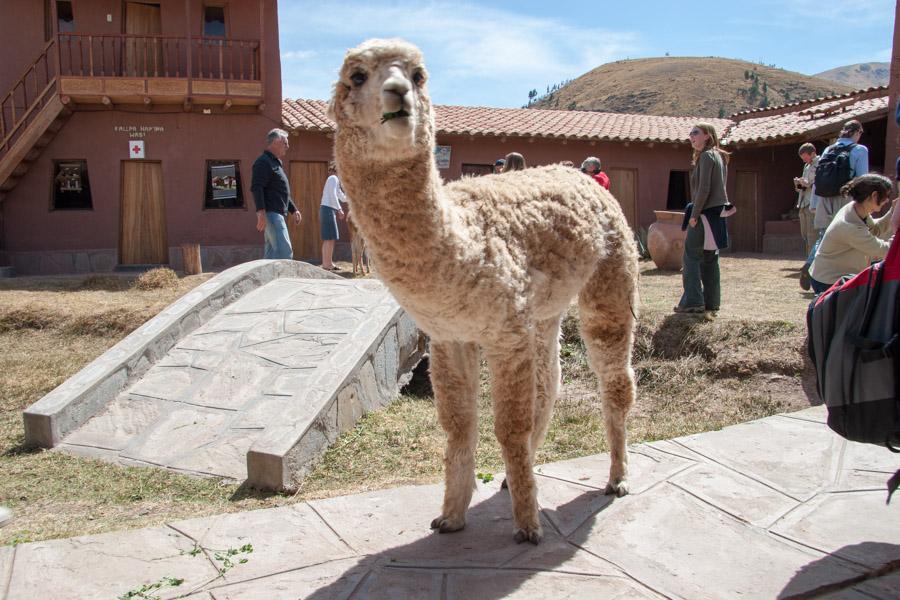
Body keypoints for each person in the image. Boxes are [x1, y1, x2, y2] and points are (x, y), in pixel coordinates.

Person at [800, 120, 869, 289]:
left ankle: (811, 264)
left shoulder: (828, 149)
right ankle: (842, 277)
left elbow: (818, 178)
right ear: (857, 132)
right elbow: (862, 180)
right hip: (845, 199)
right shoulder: (860, 150)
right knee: (847, 241)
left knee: (825, 236)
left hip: (824, 199)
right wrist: (864, 207)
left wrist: (814, 203)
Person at [808, 174, 897, 294]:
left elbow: (875, 230)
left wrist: (893, 212)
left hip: (834, 277)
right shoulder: (850, 226)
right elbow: (883, 250)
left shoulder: (855, 209)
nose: (887, 200)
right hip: (830, 281)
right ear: (874, 195)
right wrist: (898, 235)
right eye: (886, 196)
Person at [675, 123, 730, 315]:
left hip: (705, 213)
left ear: (707, 136)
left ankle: (692, 301)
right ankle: (711, 301)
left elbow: (704, 189)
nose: (691, 136)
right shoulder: (719, 156)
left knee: (691, 256)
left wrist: (694, 215)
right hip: (716, 213)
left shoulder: (707, 156)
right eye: (690, 133)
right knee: (709, 258)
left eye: (695, 133)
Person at [251, 128, 301, 259]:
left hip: (275, 214)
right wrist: (261, 212)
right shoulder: (263, 162)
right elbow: (257, 187)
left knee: (272, 253)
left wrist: (293, 209)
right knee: (284, 253)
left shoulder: (275, 163)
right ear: (275, 142)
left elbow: (280, 191)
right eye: (285, 143)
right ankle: (284, 280)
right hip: (272, 214)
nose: (288, 146)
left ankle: (266, 280)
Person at [794, 143, 820, 257]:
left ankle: (811, 264)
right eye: (802, 157)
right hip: (803, 203)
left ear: (813, 153)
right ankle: (808, 260)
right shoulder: (807, 166)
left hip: (812, 204)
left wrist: (808, 184)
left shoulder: (820, 164)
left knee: (812, 235)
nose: (804, 160)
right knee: (805, 235)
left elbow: (819, 184)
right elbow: (802, 188)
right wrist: (798, 184)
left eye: (805, 157)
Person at [320, 162, 346, 271]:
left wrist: (353, 196)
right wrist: (339, 209)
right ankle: (326, 265)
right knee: (329, 239)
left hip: (328, 210)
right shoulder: (333, 178)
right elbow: (333, 195)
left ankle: (328, 263)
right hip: (328, 210)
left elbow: (341, 196)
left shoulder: (335, 180)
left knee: (330, 238)